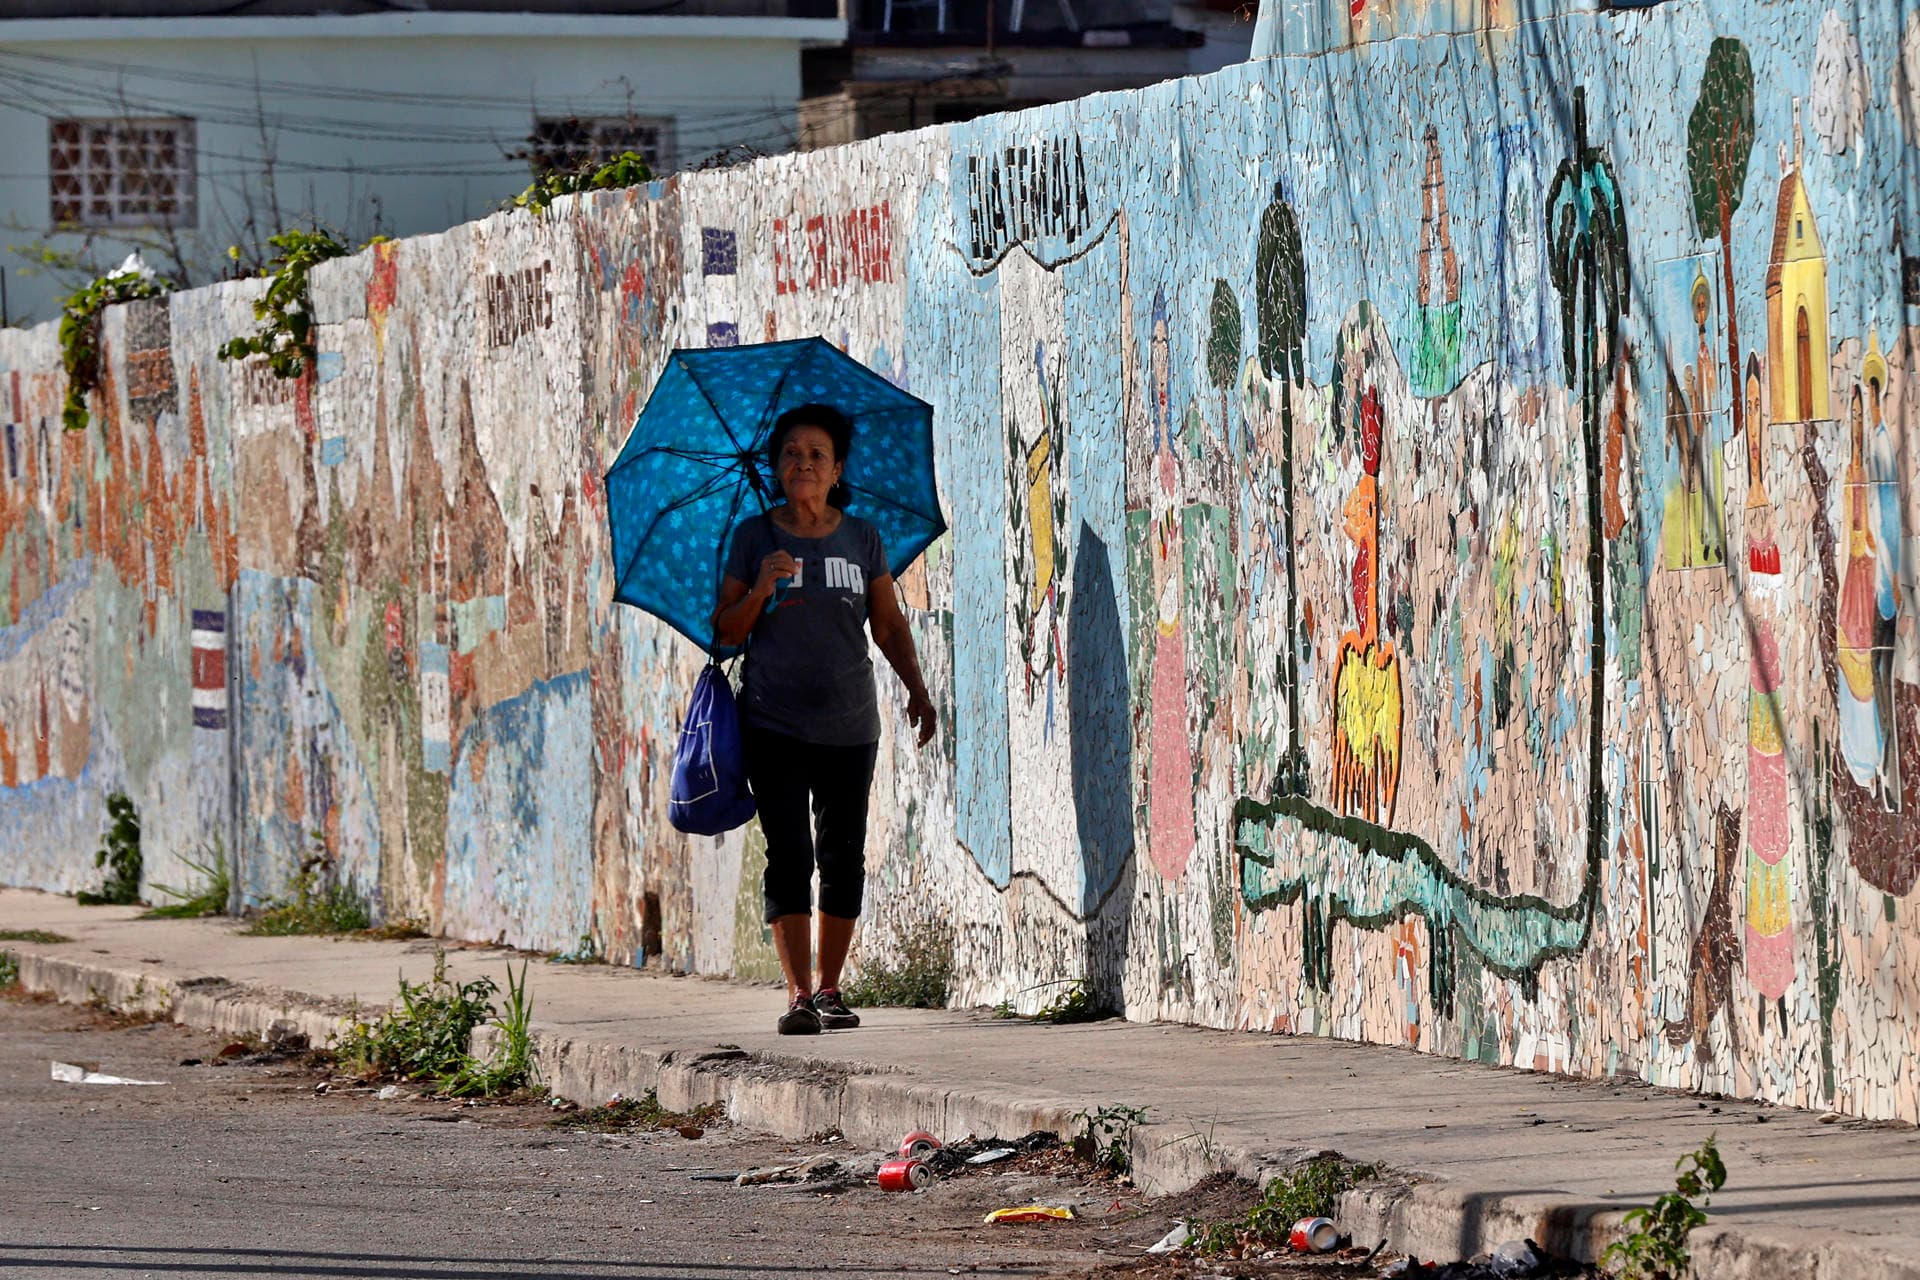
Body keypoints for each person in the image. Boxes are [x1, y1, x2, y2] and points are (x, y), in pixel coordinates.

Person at [712, 403, 938, 1035]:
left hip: (850, 722)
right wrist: (760, 588)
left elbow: (888, 624)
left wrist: (917, 690)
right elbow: (724, 632)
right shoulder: (754, 538)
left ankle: (833, 989)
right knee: (788, 855)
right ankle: (798, 994)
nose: (802, 463)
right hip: (773, 724)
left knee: (842, 855)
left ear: (837, 469)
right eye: (791, 453)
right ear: (776, 467)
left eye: (816, 454)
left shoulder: (861, 537)